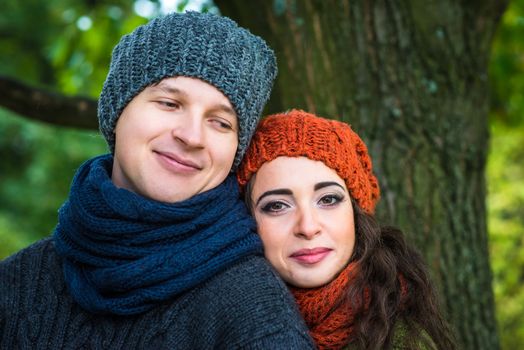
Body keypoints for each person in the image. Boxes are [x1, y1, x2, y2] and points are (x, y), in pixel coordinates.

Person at [0, 13, 315, 349]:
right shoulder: (16, 284)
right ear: (117, 110)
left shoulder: (256, 316)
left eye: (221, 122)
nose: (192, 136)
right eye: (169, 103)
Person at [237, 109, 456, 350]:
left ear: (356, 213)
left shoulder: (403, 339)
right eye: (277, 206)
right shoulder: (223, 320)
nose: (308, 228)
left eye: (328, 199)